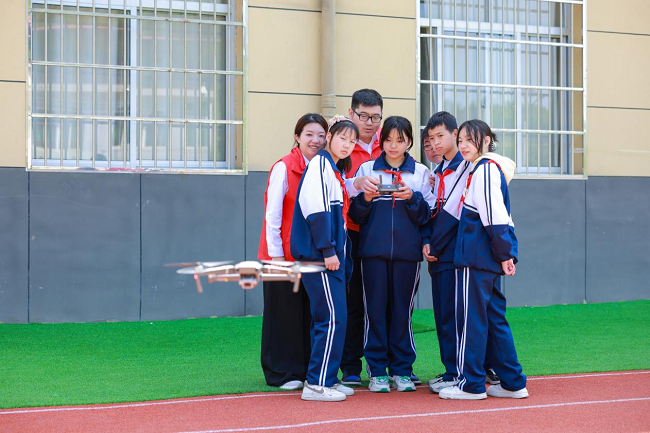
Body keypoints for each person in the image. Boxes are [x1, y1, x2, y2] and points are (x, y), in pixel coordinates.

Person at [438, 119, 528, 400]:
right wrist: (505, 254)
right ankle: (513, 382)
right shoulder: (486, 168)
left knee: (471, 321)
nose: (463, 145)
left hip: (475, 259)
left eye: (470, 139)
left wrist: (505, 254)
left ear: (486, 140)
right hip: (486, 258)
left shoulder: (485, 169)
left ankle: (471, 384)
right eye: (461, 140)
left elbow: (494, 217)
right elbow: (500, 217)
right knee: (493, 318)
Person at [348, 116, 435, 393]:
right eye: (388, 139)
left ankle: (402, 370)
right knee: (374, 311)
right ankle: (376, 371)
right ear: (381, 141)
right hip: (372, 254)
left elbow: (427, 216)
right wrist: (366, 198)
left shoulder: (421, 173)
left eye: (400, 140)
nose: (393, 145)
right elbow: (354, 214)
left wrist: (412, 198)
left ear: (409, 142)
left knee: (402, 313)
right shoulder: (366, 169)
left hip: (408, 255)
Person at [422, 112, 501, 394]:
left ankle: (465, 372)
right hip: (440, 251)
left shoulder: (470, 166)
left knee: (463, 316)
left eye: (440, 136)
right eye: (430, 138)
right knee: (445, 315)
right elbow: (434, 211)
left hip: (460, 253)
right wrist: (428, 240)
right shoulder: (438, 170)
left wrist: (436, 243)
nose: (435, 143)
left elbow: (458, 213)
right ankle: (453, 370)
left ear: (455, 135)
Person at [258, 113, 328, 390]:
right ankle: (281, 372)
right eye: (309, 134)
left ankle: (303, 369)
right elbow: (272, 215)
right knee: (282, 314)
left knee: (306, 314)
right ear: (297, 137)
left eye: (321, 135)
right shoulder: (283, 167)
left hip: (309, 255)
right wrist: (276, 256)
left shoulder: (323, 168)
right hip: (282, 256)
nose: (315, 140)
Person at [290, 116, 357, 402]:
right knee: (330, 319)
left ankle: (327, 378)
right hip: (320, 258)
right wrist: (328, 250)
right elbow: (315, 210)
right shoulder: (320, 164)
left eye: (352, 141)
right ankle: (317, 383)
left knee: (333, 318)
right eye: (342, 138)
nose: (347, 145)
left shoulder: (332, 168)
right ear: (329, 137)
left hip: (329, 257)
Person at [339, 89, 383, 387]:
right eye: (363, 116)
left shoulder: (389, 142)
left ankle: (387, 365)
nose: (369, 123)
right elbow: (331, 181)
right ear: (351, 114)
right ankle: (351, 366)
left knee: (383, 303)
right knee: (353, 302)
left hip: (383, 235)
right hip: (352, 234)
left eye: (375, 117)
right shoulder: (343, 144)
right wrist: (355, 182)